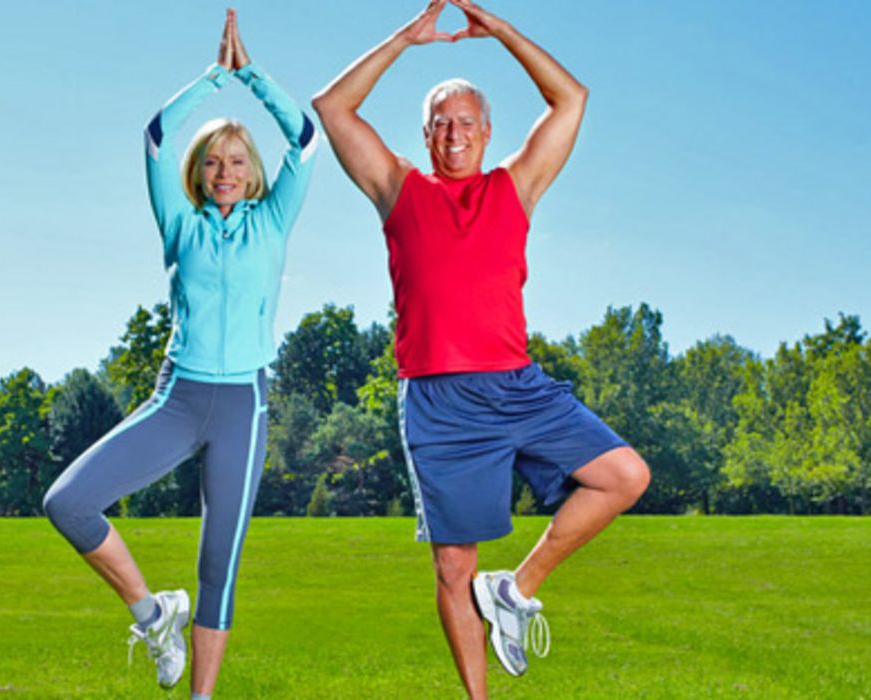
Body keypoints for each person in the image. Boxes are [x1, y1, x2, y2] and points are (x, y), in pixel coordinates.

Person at [312, 0, 649, 696]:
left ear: (488, 132)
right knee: (451, 566)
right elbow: (332, 107)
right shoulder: (397, 188)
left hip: (517, 386)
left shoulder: (514, 187)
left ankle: (517, 588)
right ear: (425, 133)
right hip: (437, 397)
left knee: (624, 476)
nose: (454, 133)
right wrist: (406, 39)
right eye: (441, 123)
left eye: (466, 122)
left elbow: (571, 97)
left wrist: (500, 32)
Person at [42, 9, 316, 698]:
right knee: (67, 502)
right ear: (200, 171)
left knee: (218, 565)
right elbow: (155, 136)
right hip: (178, 397)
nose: (225, 171)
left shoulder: (275, 219)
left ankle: (200, 697)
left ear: (253, 170)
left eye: (236, 161)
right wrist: (209, 78)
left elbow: (306, 139)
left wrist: (249, 76)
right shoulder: (179, 221)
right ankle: (149, 612)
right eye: (213, 162)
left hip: (243, 407)